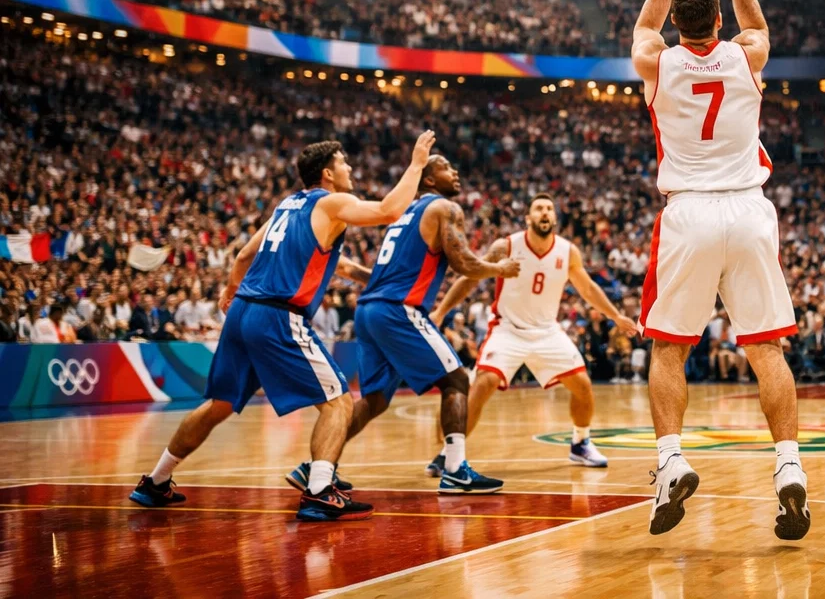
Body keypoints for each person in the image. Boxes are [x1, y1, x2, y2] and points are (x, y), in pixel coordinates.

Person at [129, 131, 436, 523]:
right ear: (328, 173)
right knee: (339, 401)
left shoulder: (287, 207)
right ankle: (321, 491)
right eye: (345, 163)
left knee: (217, 406)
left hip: (244, 310)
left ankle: (155, 481)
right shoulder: (332, 202)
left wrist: (230, 292)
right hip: (277, 315)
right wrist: (416, 163)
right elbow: (390, 211)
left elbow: (244, 256)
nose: (352, 169)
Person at [631, 0, 807, 540]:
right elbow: (757, 26)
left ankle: (671, 460)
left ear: (680, 25)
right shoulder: (745, 54)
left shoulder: (659, 61)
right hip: (750, 210)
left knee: (669, 348)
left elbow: (643, 29)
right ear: (718, 24)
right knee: (766, 348)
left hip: (690, 214)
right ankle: (789, 470)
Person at [313, 155, 521, 497]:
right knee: (456, 379)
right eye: (446, 168)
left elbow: (378, 274)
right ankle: (454, 470)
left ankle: (320, 463)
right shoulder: (444, 208)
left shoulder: (403, 216)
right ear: (428, 180)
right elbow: (464, 262)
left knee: (375, 399)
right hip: (398, 309)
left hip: (369, 310)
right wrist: (499, 269)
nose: (455, 172)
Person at [427, 193, 639, 473]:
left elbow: (588, 289)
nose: (545, 213)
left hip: (547, 331)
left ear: (554, 217)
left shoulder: (568, 251)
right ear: (528, 218)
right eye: (538, 208)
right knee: (483, 384)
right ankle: (449, 454)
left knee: (584, 387)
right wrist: (441, 312)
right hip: (508, 329)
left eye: (549, 209)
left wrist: (615, 315)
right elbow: (470, 279)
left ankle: (580, 443)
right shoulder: (506, 246)